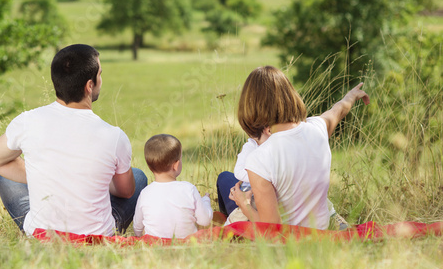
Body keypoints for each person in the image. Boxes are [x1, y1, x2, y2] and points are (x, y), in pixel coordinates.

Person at [0, 44, 147, 237]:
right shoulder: (114, 135)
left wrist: (51, 175)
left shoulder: (28, 121)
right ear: (89, 85)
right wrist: (93, 179)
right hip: (97, 235)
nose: (101, 80)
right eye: (100, 74)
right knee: (137, 177)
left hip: (42, 232)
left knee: (6, 179)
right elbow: (126, 191)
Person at [217, 66, 369, 230]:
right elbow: (337, 111)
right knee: (226, 179)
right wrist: (350, 96)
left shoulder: (260, 158)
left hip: (292, 235)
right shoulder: (317, 128)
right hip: (322, 228)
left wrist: (243, 203)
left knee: (225, 180)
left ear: (250, 106)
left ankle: (226, 221)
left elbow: (273, 230)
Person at [133, 134, 213, 238]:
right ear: (176, 165)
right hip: (186, 244)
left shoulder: (145, 193)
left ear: (149, 166)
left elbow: (137, 227)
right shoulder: (189, 189)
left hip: (155, 245)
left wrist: (139, 236)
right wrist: (206, 201)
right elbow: (205, 220)